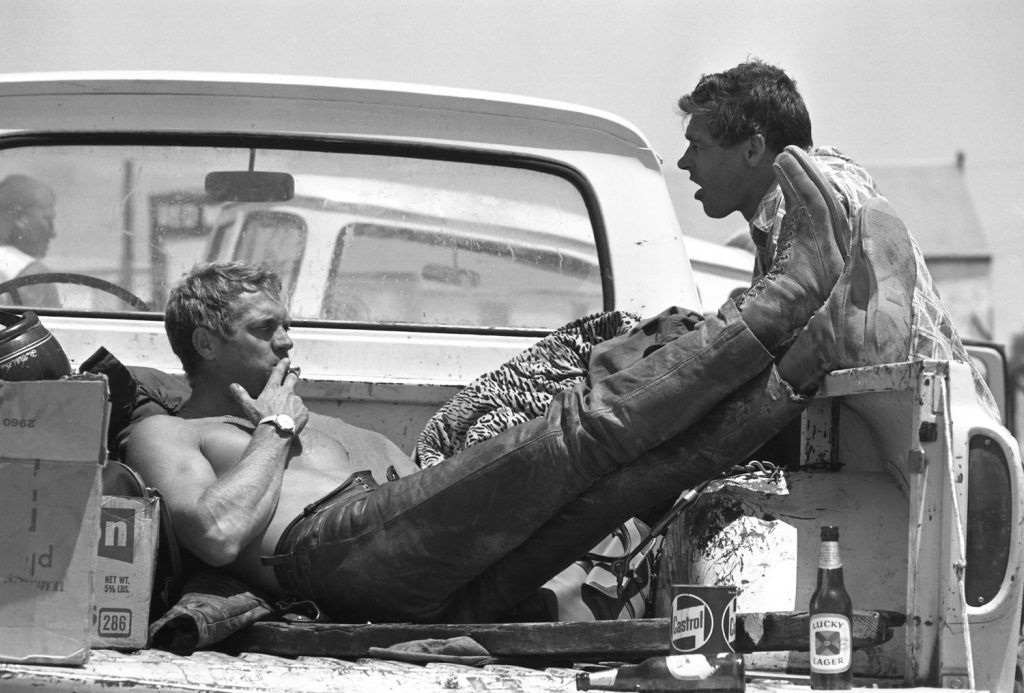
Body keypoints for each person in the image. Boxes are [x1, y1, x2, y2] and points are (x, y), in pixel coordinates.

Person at [125, 145, 919, 625]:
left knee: (635, 480)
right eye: (267, 328)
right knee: (581, 430)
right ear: (205, 341)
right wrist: (277, 430)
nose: (290, 338)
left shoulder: (300, 417)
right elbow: (220, 534)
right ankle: (786, 294)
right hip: (334, 557)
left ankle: (818, 349)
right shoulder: (167, 431)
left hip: (420, 577)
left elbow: (416, 488)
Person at [0, 174, 60, 308]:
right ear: (20, 217)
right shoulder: (30, 275)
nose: (53, 233)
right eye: (47, 219)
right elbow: (46, 328)